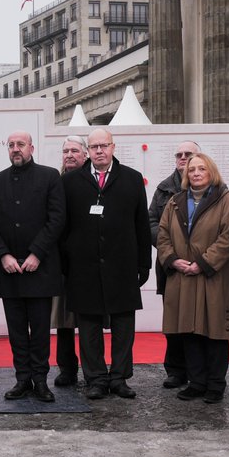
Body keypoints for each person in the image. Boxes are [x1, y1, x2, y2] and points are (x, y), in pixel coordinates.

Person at [61, 127, 152, 400]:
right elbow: (63, 227)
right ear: (87, 151)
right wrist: (67, 263)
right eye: (94, 147)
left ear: (113, 147)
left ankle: (120, 377)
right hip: (83, 267)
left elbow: (141, 225)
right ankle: (96, 378)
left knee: (124, 324)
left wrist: (143, 264)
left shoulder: (132, 179)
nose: (99, 151)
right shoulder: (71, 182)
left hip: (122, 264)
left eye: (104, 145)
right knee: (88, 325)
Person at [0, 130, 65, 402]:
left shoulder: (50, 176)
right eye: (11, 145)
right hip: (9, 271)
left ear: (31, 147)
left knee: (40, 330)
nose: (15, 149)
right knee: (16, 330)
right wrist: (3, 255)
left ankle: (40, 380)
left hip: (39, 268)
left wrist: (36, 253)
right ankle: (22, 379)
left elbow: (57, 219)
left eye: (20, 144)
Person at [156, 154, 229, 403]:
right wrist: (172, 259)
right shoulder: (175, 201)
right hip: (182, 276)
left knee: (213, 331)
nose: (195, 173)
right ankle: (196, 381)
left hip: (212, 277)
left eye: (202, 168)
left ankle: (215, 384)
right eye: (191, 169)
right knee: (188, 331)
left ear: (211, 171)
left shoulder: (226, 200)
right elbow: (162, 235)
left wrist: (202, 263)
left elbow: (228, 237)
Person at [149, 140, 198, 389]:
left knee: (200, 321)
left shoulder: (215, 188)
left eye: (188, 153)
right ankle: (176, 371)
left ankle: (200, 372)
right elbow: (151, 222)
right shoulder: (163, 189)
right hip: (170, 266)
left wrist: (195, 255)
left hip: (200, 267)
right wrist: (172, 252)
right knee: (174, 321)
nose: (183, 157)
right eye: (179, 154)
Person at [52, 135, 87, 387]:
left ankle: (93, 369)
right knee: (63, 321)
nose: (70, 155)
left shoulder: (93, 181)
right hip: (60, 263)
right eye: (66, 151)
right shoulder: (55, 182)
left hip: (86, 262)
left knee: (87, 320)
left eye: (75, 150)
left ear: (84, 154)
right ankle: (67, 368)